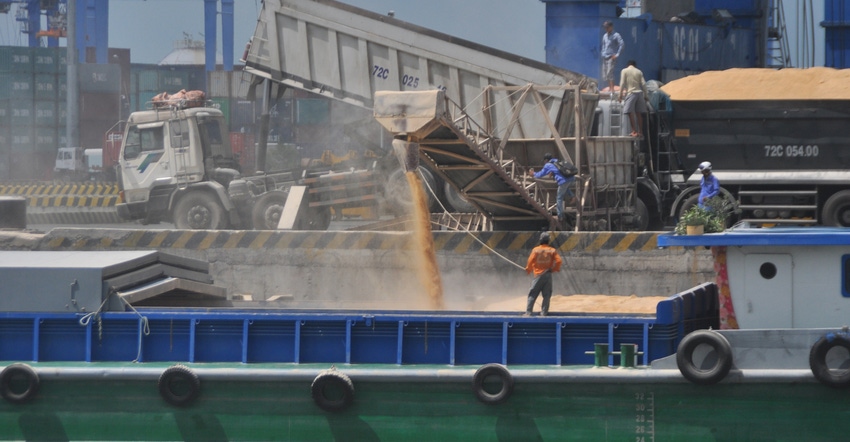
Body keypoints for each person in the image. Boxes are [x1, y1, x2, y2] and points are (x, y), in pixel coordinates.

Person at [524, 232, 563, 317]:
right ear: (548, 241)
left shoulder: (536, 250)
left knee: (532, 294)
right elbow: (559, 261)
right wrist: (554, 269)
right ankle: (544, 313)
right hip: (548, 275)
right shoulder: (552, 250)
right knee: (547, 295)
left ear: (540, 240)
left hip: (538, 275)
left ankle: (528, 312)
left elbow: (530, 261)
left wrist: (528, 269)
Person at [528, 153, 576, 221]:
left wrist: (533, 174)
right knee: (564, 187)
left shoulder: (548, 165)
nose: (544, 162)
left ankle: (560, 216)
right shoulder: (557, 161)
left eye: (544, 160)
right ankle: (572, 196)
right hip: (571, 179)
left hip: (563, 181)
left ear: (546, 160)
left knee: (559, 198)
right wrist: (552, 173)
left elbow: (540, 174)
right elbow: (558, 170)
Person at [618, 60, 647, 137]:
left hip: (631, 93)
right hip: (640, 93)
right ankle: (640, 132)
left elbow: (622, 83)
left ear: (628, 65)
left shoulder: (624, 71)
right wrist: (646, 95)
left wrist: (620, 95)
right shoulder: (639, 72)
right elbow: (643, 84)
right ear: (635, 65)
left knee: (629, 112)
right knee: (638, 113)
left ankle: (634, 131)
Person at [601, 21, 624, 95]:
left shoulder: (616, 35)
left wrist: (617, 55)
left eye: (607, 27)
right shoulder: (605, 36)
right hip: (605, 56)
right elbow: (603, 45)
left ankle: (612, 89)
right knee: (605, 74)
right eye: (605, 27)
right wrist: (602, 53)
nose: (606, 29)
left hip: (611, 57)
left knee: (610, 73)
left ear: (611, 27)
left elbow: (622, 44)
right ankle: (610, 88)